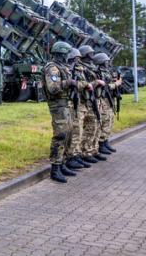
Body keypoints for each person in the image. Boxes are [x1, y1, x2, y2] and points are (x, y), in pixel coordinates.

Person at [43, 41, 79, 183]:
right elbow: (53, 88)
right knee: (61, 135)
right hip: (58, 105)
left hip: (66, 104)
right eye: (67, 53)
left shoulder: (63, 67)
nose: (68, 56)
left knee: (68, 134)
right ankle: (55, 167)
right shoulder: (52, 68)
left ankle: (62, 163)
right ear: (61, 53)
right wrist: (68, 83)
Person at [77, 45, 106, 162]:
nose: (92, 55)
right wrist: (96, 83)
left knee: (96, 126)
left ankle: (93, 149)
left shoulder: (91, 67)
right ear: (86, 54)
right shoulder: (82, 68)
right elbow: (84, 84)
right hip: (87, 100)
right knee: (90, 127)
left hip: (95, 99)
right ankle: (85, 151)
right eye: (90, 53)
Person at [64, 48, 91, 171]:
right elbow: (74, 84)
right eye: (77, 58)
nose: (79, 60)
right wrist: (85, 84)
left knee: (79, 131)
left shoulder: (79, 69)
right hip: (73, 104)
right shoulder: (70, 70)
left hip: (79, 102)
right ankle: (72, 156)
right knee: (76, 131)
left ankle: (77, 154)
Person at [93, 53, 121, 154]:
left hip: (110, 99)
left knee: (110, 120)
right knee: (104, 120)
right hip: (103, 99)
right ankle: (101, 143)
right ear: (101, 61)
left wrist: (116, 81)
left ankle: (105, 141)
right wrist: (115, 84)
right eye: (106, 61)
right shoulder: (97, 72)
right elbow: (106, 86)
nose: (108, 62)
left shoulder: (107, 71)